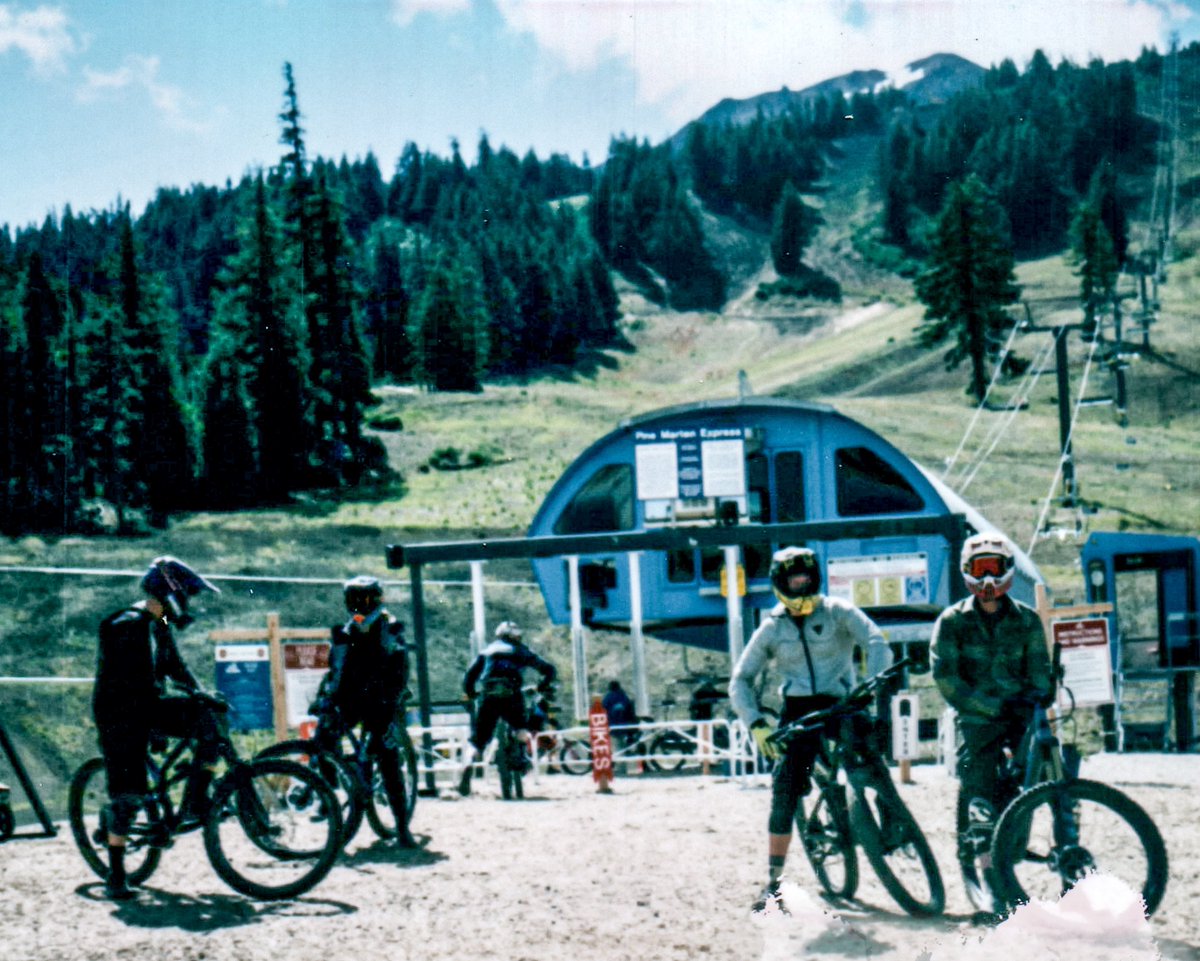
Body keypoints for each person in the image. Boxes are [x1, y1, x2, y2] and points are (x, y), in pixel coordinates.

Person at [730, 546, 893, 913]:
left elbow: (875, 640)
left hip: (843, 700)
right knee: (785, 788)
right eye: (793, 581)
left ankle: (894, 821)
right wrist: (756, 723)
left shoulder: (838, 611)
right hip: (799, 711)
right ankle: (773, 883)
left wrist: (874, 681)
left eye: (805, 578)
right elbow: (740, 680)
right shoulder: (771, 628)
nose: (800, 586)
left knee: (872, 756)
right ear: (780, 583)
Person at [931, 532, 1054, 908]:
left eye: (994, 568)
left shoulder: (1027, 620)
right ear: (967, 571)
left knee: (1038, 774)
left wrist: (1037, 696)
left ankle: (1043, 846)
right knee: (979, 780)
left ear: (1007, 570)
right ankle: (985, 868)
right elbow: (946, 678)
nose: (987, 579)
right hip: (978, 717)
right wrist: (987, 706)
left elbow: (1040, 670)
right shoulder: (952, 621)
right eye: (979, 569)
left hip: (1020, 714)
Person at [92, 556, 223, 900]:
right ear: (170, 592)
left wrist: (201, 694)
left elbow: (175, 666)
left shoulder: (158, 622)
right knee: (128, 796)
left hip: (146, 708)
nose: (188, 604)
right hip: (120, 716)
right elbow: (126, 684)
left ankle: (197, 799)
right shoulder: (124, 624)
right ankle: (116, 876)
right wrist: (154, 726)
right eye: (187, 596)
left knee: (208, 718)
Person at [309, 575, 418, 848]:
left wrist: (393, 700)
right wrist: (323, 699)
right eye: (354, 599)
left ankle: (402, 826)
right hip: (349, 700)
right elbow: (335, 671)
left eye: (366, 598)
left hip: (381, 702)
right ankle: (329, 795)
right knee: (322, 740)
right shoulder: (344, 632)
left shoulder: (391, 629)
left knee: (387, 756)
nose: (360, 604)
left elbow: (400, 671)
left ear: (377, 599)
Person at [458, 622, 557, 796]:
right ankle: (521, 753)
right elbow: (549, 670)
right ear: (516, 636)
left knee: (478, 740)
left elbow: (468, 677)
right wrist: (542, 686)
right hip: (511, 694)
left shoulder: (486, 651)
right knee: (521, 727)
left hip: (488, 694)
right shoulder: (520, 650)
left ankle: (468, 764)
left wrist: (471, 693)